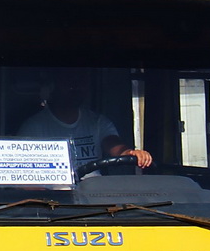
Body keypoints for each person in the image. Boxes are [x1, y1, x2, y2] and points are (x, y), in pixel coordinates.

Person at [18, 71, 152, 175]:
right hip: (55, 202)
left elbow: (115, 147)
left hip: (95, 197)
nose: (75, 88)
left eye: (80, 83)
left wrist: (131, 153)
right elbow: (26, 175)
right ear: (52, 87)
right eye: (69, 83)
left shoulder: (98, 122)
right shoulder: (33, 127)